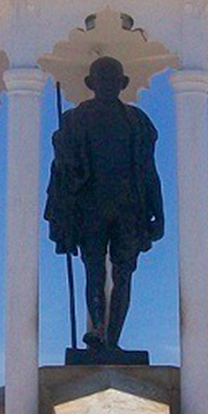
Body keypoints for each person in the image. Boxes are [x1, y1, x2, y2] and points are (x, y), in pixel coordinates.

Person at [44, 57, 164, 350]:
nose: (108, 85)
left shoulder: (138, 122)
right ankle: (98, 329)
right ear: (91, 84)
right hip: (90, 208)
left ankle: (113, 340)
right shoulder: (74, 120)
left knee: (124, 273)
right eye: (103, 79)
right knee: (94, 269)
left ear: (122, 84)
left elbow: (149, 171)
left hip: (129, 209)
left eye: (113, 80)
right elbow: (63, 169)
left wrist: (158, 215)